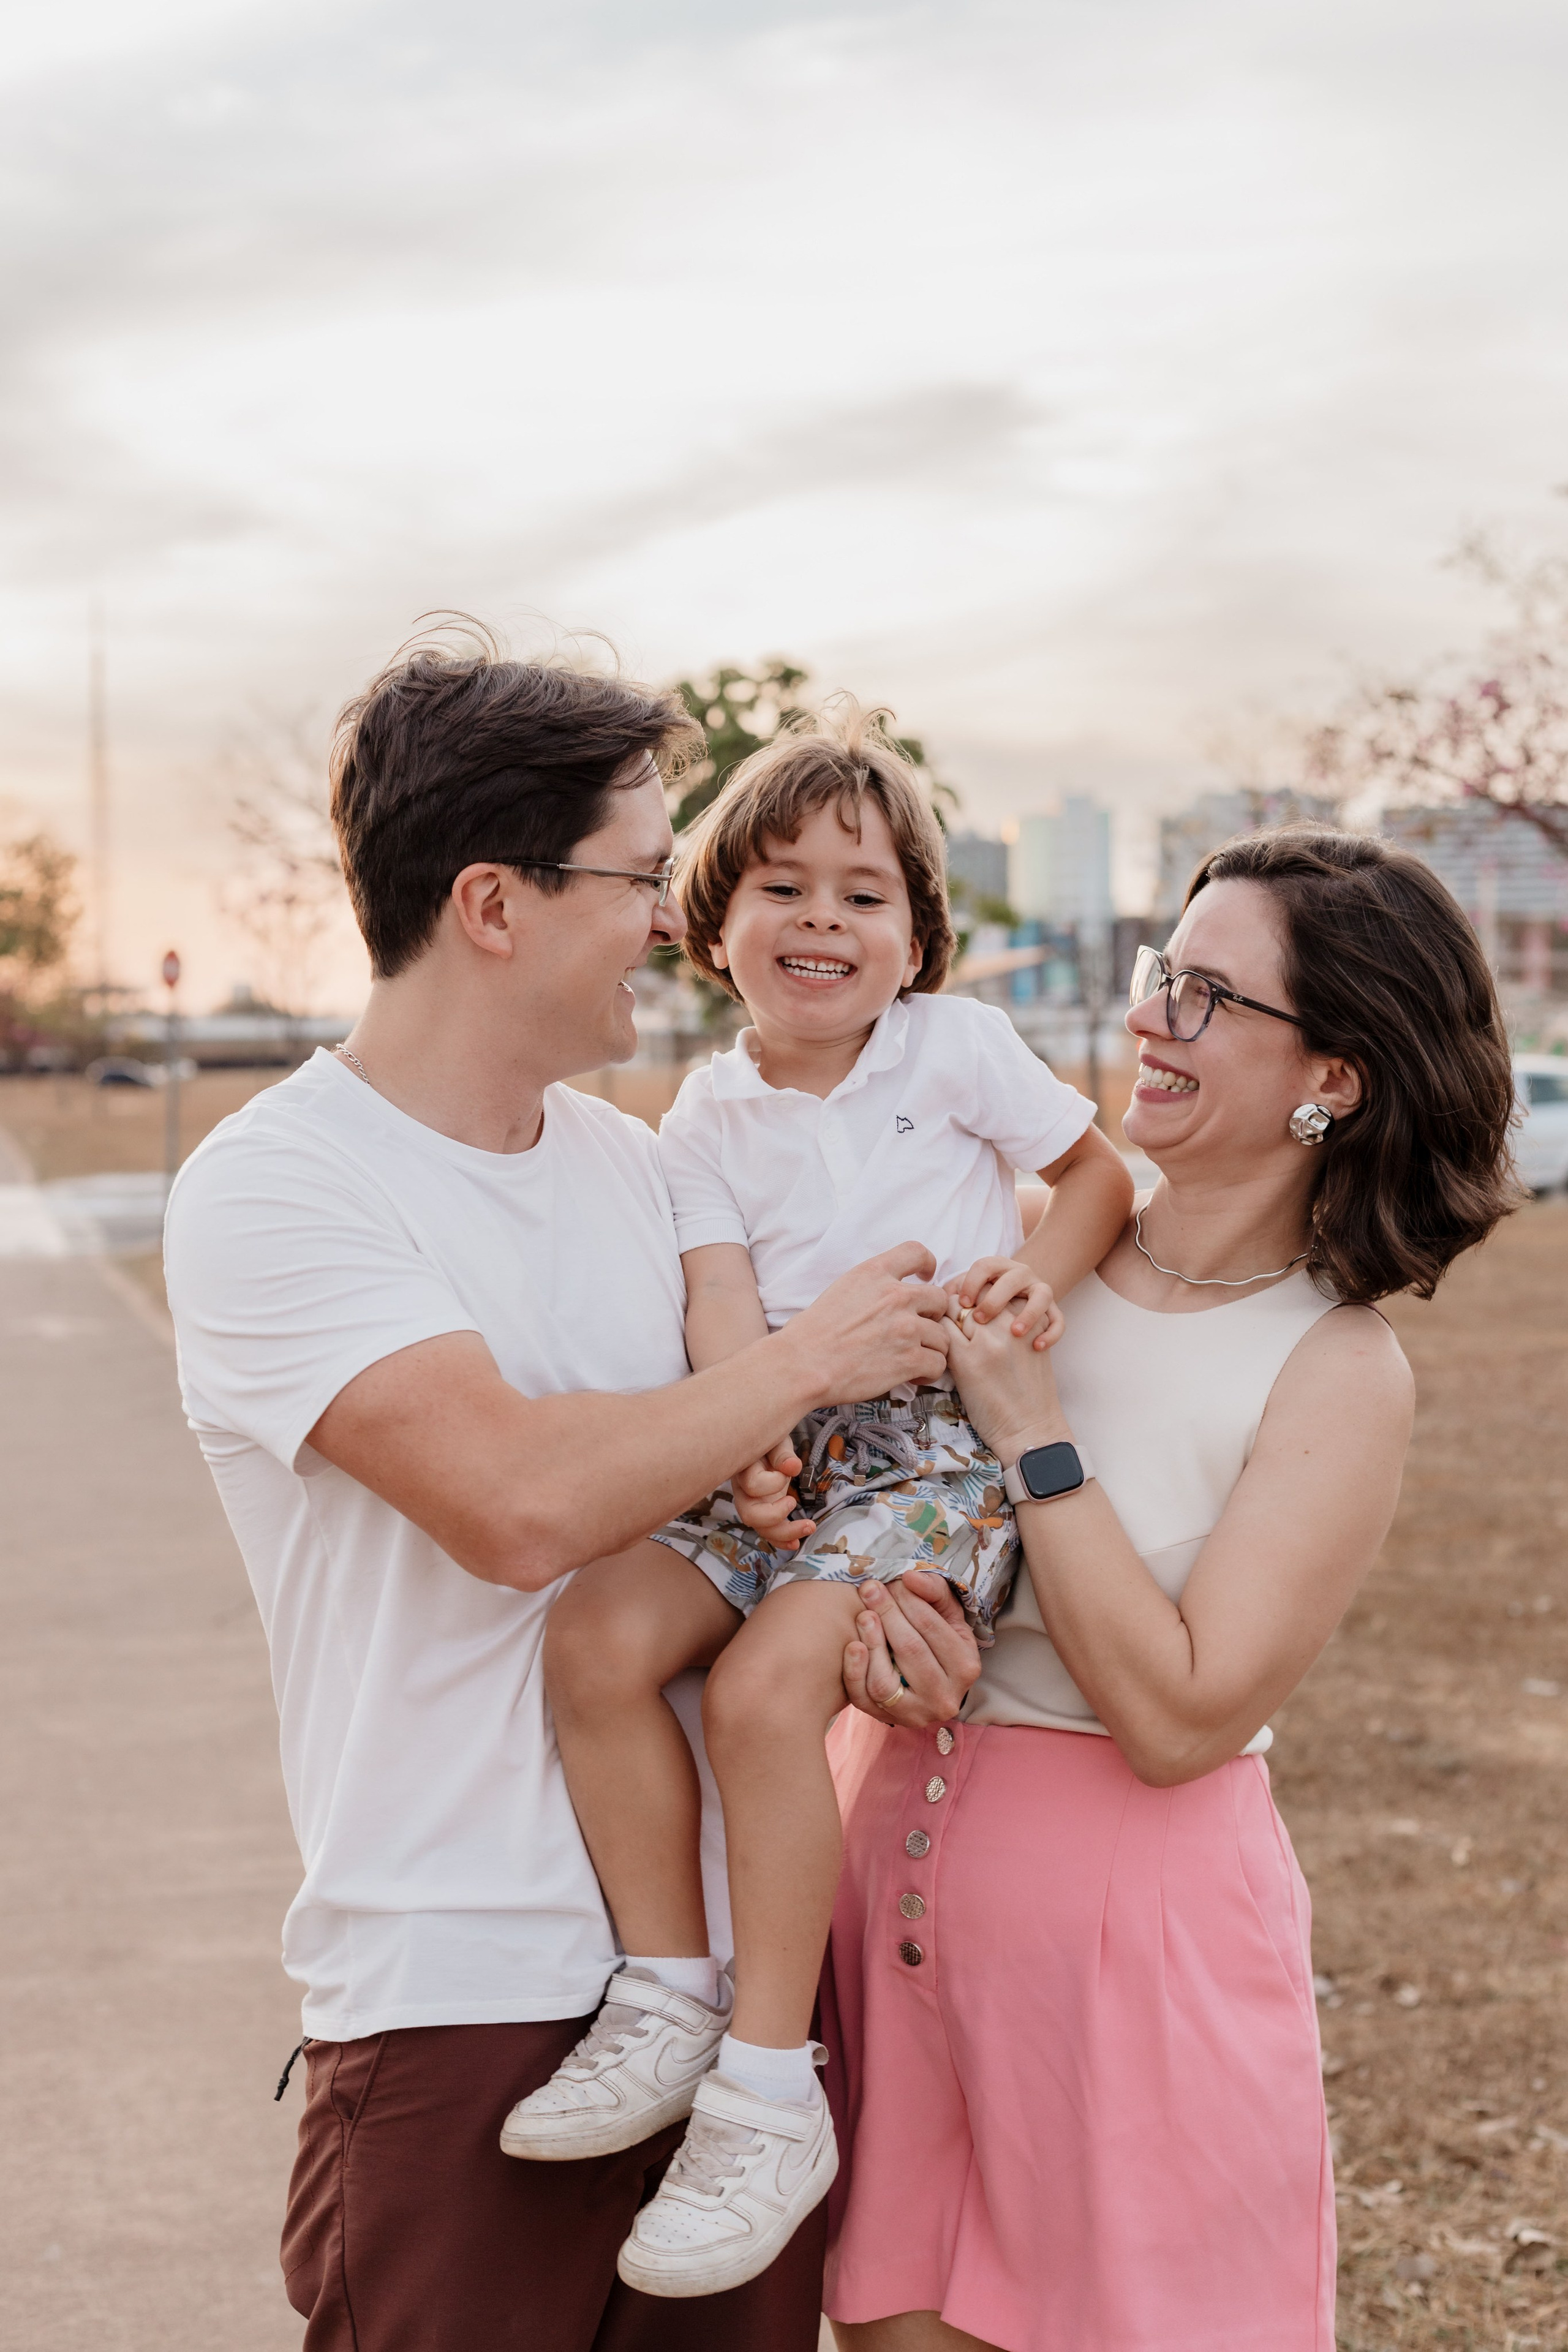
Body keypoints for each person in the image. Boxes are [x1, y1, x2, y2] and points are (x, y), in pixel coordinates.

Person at [163, 634, 963, 2352]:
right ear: (491, 905)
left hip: (745, 2037)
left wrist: (886, 1611)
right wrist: (803, 1364)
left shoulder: (644, 1166)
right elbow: (518, 1506)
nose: (674, 923)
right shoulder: (279, 1186)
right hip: (463, 1993)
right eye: (637, 878)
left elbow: (756, 1517)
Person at [814, 826, 1520, 2352]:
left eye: (1206, 995)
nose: (1147, 1017)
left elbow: (1181, 1716)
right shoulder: (1014, 1251)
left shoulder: (1333, 1367)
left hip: (1134, 1967)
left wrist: (1035, 1439)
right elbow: (837, 1520)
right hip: (877, 1902)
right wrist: (866, 1630)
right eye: (1160, 973)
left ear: (1331, 1074)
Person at [502, 710, 1133, 2299]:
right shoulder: (699, 1119)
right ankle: (668, 1989)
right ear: (711, 926)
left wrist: (1029, 1285)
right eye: (781, 887)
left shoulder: (953, 1049)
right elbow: (722, 1302)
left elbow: (1102, 1177)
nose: (823, 921)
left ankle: (769, 2093)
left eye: (865, 895)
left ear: (917, 936)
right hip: (782, 1424)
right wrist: (749, 1437)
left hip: (934, 1450)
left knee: (766, 1689)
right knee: (595, 1638)